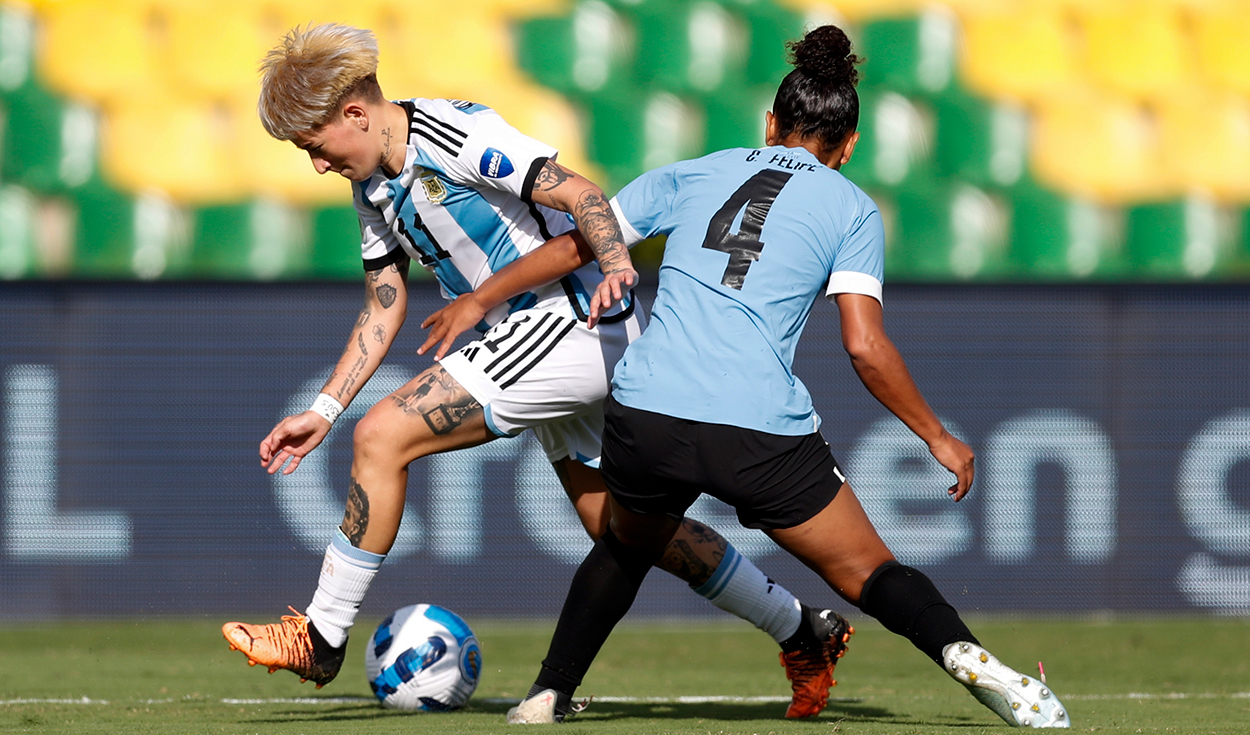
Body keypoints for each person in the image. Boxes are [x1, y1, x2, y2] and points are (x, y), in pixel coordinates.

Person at [220, 23, 853, 718]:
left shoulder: (455, 134)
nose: (316, 164)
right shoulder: (371, 187)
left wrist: (616, 264)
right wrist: (325, 406)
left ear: (356, 114)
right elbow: (384, 301)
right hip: (542, 339)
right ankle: (802, 628)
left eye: (316, 146)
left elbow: (581, 193)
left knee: (383, 435)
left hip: (567, 325)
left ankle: (322, 635)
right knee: (625, 532)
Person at [506, 24, 1070, 729]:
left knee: (626, 543)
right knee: (868, 572)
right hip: (757, 429)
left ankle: (547, 694)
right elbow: (865, 348)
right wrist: (937, 435)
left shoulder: (696, 169)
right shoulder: (853, 208)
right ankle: (962, 652)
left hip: (646, 409)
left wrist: (479, 296)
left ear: (770, 125)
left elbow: (580, 238)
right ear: (851, 145)